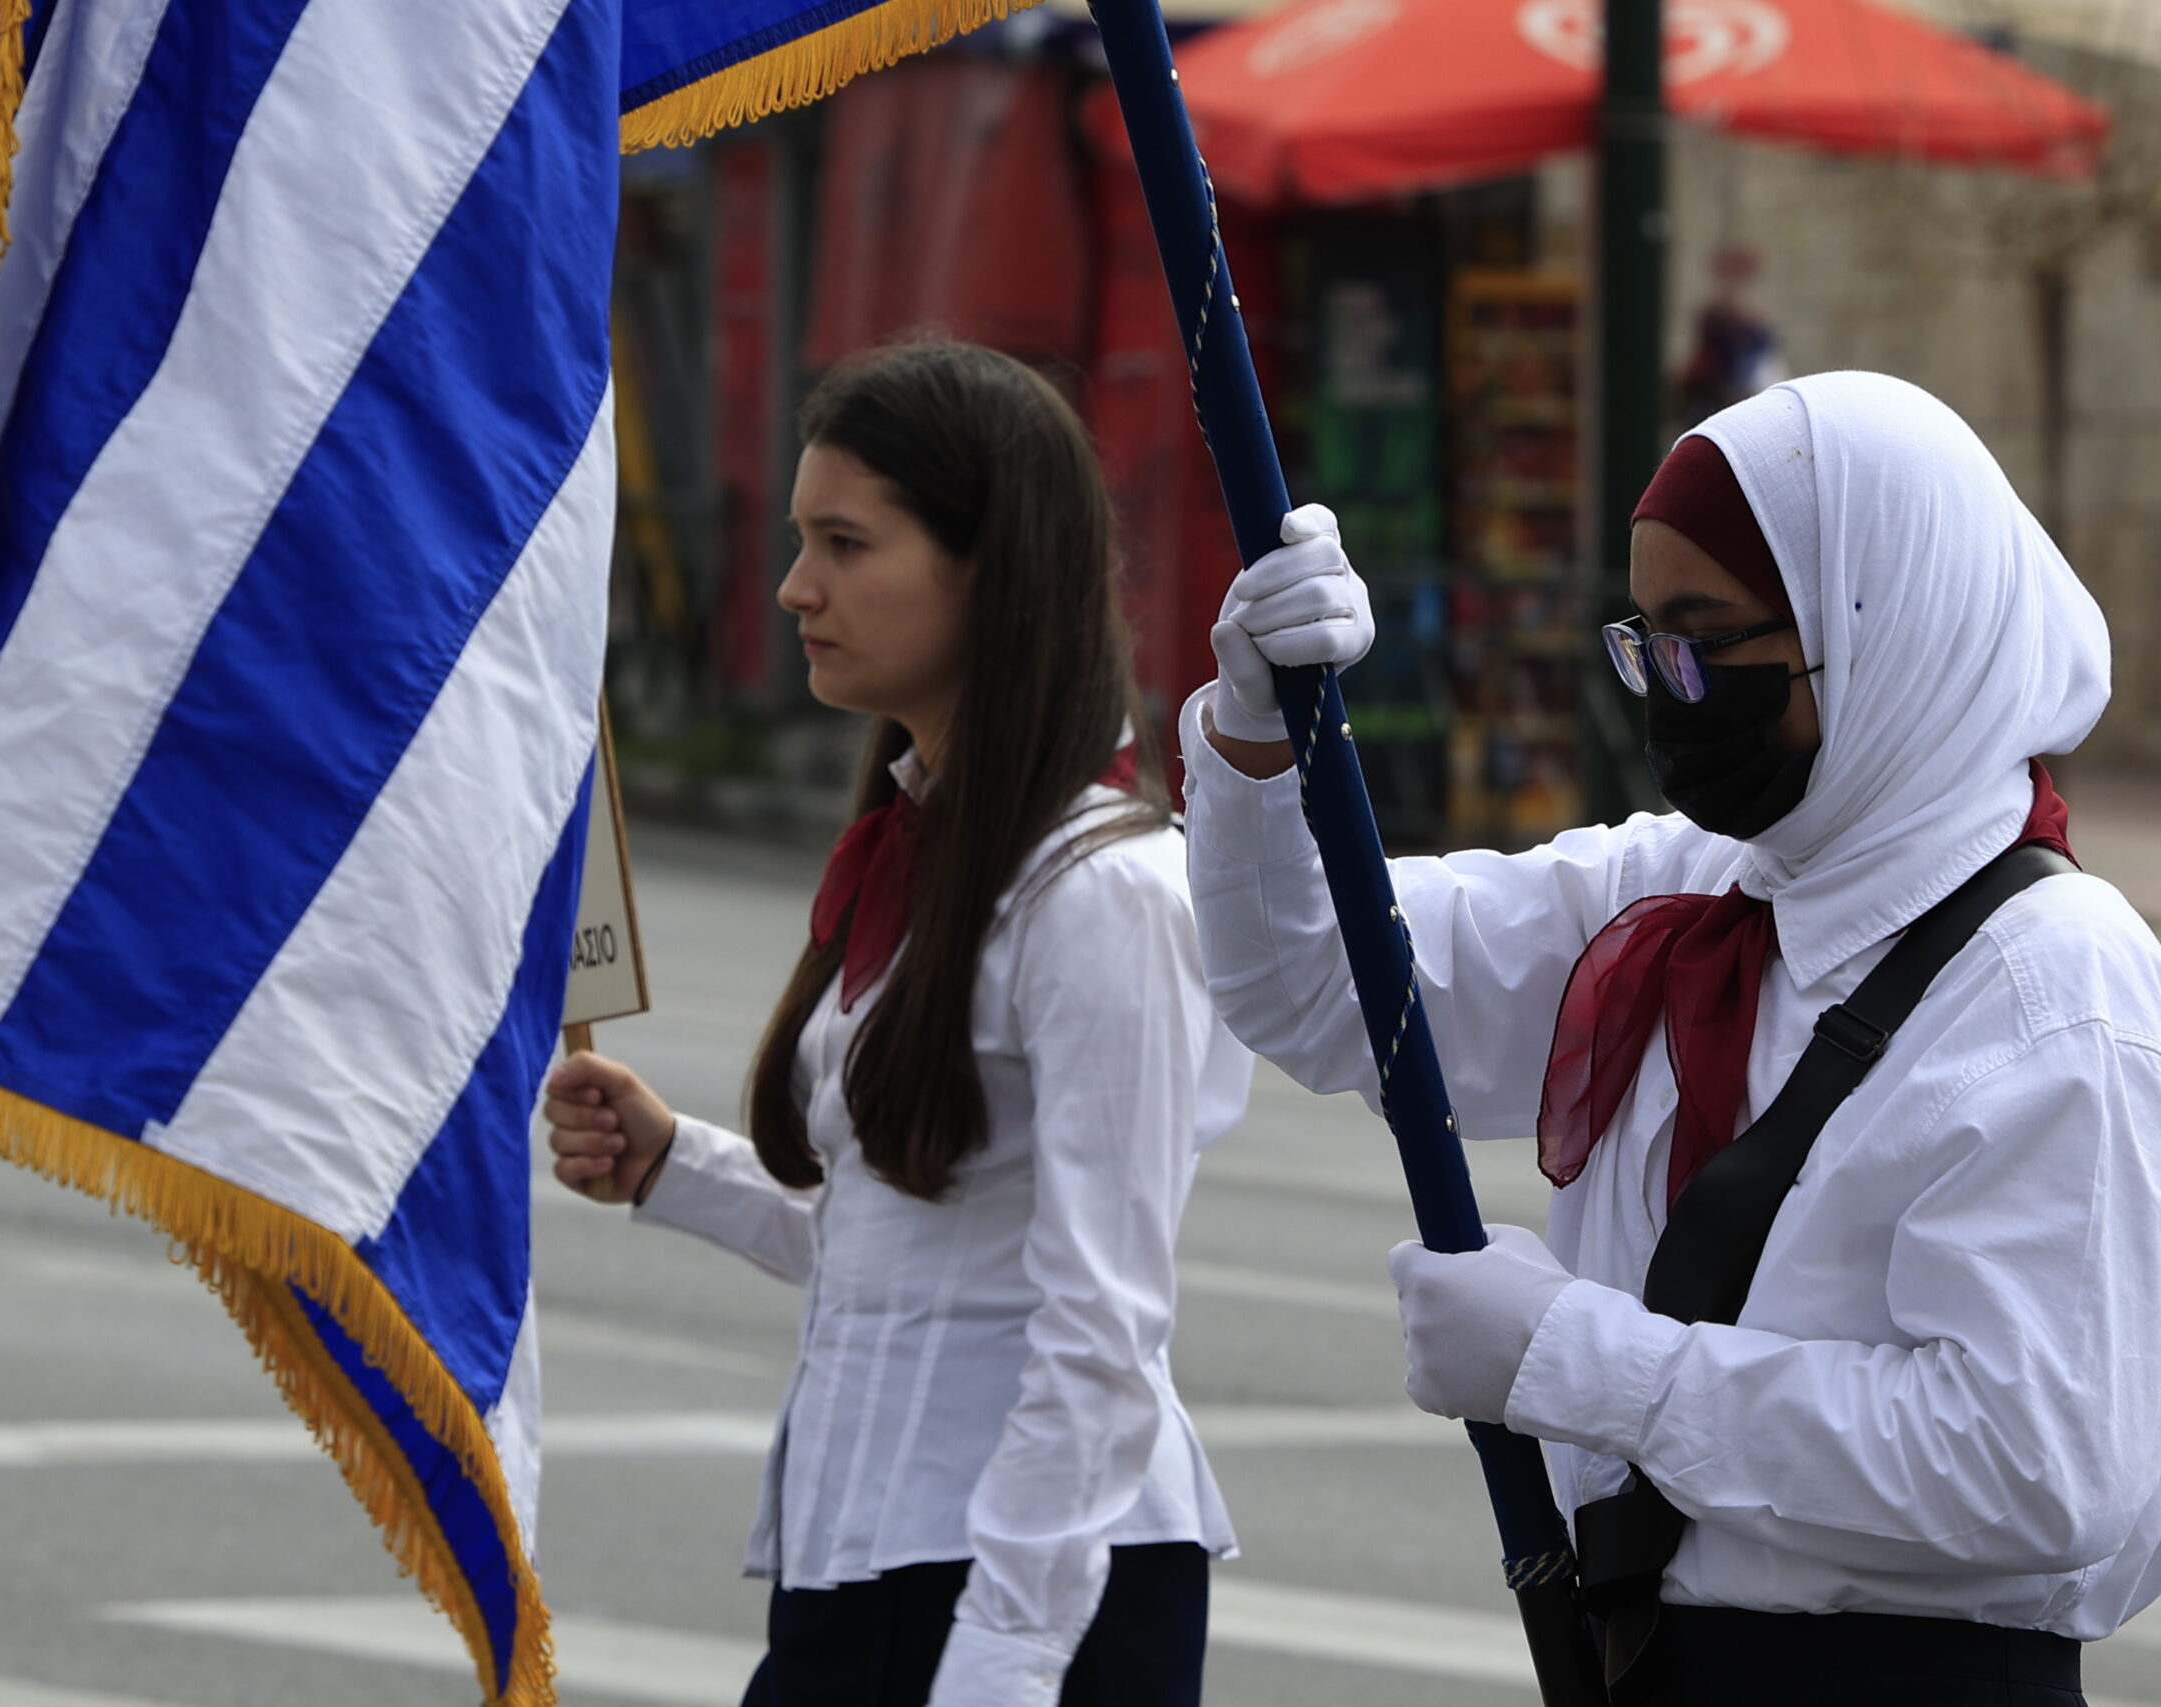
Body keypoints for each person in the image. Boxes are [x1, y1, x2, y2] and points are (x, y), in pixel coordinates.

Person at [1186, 370, 2161, 1705]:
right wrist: (1257, 736)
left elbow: (2036, 1473)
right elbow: (1321, 987)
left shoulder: (2055, 990)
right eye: (1642, 640)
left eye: (1704, 641)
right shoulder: (1692, 884)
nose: (1667, 691)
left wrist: (1582, 1363)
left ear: (1883, 631)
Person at [544, 341, 1255, 1707]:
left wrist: (1006, 1655)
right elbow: (903, 1241)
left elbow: (1098, 1322)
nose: (794, 587)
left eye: (844, 543)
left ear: (993, 569)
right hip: (864, 1558)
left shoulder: (1106, 892)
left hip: (1030, 1588)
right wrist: (670, 1167)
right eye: (802, 538)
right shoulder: (927, 846)